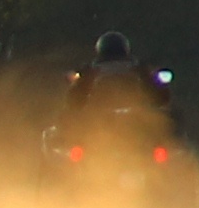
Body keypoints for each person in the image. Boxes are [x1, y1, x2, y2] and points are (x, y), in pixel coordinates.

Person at [47, 31, 179, 178]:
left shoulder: (91, 70)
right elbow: (161, 98)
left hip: (106, 122)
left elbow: (74, 102)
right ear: (125, 49)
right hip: (130, 123)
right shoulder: (138, 68)